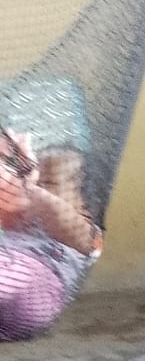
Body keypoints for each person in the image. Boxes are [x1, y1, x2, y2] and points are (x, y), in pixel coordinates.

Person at [1, 128, 99, 342]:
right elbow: (6, 197)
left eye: (49, 183)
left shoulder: (87, 230)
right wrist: (7, 161)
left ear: (83, 199)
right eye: (38, 180)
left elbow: (56, 214)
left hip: (38, 286)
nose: (38, 185)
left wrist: (28, 184)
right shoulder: (24, 216)